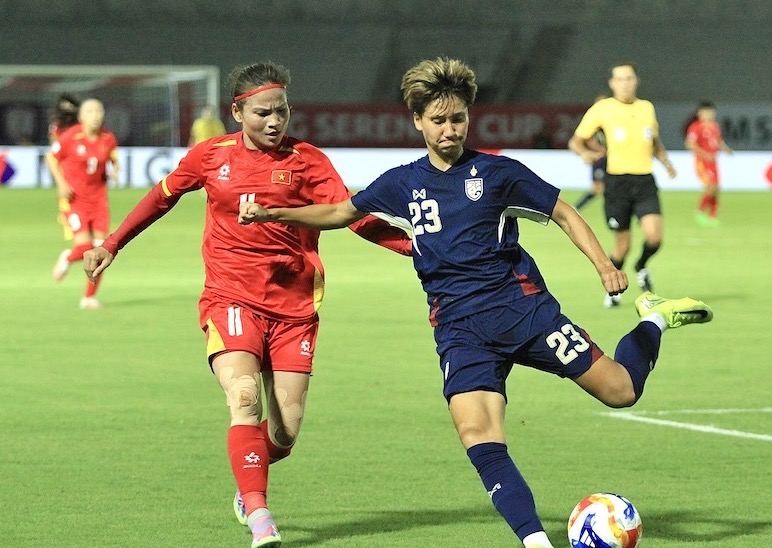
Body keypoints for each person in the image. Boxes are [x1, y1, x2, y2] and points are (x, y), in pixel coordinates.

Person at [238, 57, 714, 548]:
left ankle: (653, 319)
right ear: (418, 121)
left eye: (458, 119)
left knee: (621, 391)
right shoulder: (401, 182)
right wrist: (274, 211)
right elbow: (341, 210)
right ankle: (535, 541)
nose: (449, 130)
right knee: (478, 435)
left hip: (526, 312)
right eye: (439, 120)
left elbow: (564, 213)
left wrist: (604, 266)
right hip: (460, 330)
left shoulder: (497, 172)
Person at [83, 61, 412, 548]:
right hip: (230, 296)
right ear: (237, 112)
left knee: (285, 432)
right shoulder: (211, 155)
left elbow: (353, 216)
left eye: (282, 112)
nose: (275, 122)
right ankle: (260, 516)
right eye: (262, 113)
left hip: (294, 306)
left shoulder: (308, 161)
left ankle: (248, 477)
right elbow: (161, 196)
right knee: (243, 397)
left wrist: (416, 248)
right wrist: (112, 243)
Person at [569, 63, 676, 308]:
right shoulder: (602, 109)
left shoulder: (646, 107)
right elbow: (576, 141)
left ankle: (641, 266)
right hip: (617, 183)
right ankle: (613, 286)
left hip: (644, 180)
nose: (625, 83)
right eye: (620, 79)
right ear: (612, 83)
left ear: (636, 80)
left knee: (655, 237)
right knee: (622, 246)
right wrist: (584, 153)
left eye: (629, 78)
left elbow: (654, 141)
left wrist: (665, 161)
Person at [48, 97, 119, 309]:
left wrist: (115, 169)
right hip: (75, 200)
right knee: (86, 247)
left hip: (99, 201)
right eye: (90, 112)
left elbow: (113, 156)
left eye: (99, 111)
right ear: (81, 117)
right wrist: (61, 183)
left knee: (101, 251)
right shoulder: (71, 137)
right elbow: (51, 158)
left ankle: (88, 297)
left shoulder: (108, 138)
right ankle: (69, 257)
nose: (95, 116)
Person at [684, 100, 732, 227]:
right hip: (702, 162)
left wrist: (726, 149)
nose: (708, 114)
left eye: (710, 112)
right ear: (700, 113)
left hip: (713, 162)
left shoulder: (715, 126)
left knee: (716, 188)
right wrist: (704, 154)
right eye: (705, 112)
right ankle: (699, 211)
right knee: (710, 187)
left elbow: (718, 142)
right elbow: (690, 144)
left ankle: (712, 216)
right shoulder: (695, 127)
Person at [46, 93, 81, 241]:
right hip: (62, 160)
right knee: (64, 189)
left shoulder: (79, 122)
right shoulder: (57, 124)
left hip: (76, 161)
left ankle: (70, 216)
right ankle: (66, 216)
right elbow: (53, 141)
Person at [570, 94, 608, 211]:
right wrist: (602, 150)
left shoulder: (610, 122)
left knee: (612, 186)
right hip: (600, 159)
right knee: (598, 188)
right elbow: (587, 140)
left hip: (611, 159)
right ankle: (575, 208)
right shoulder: (593, 123)